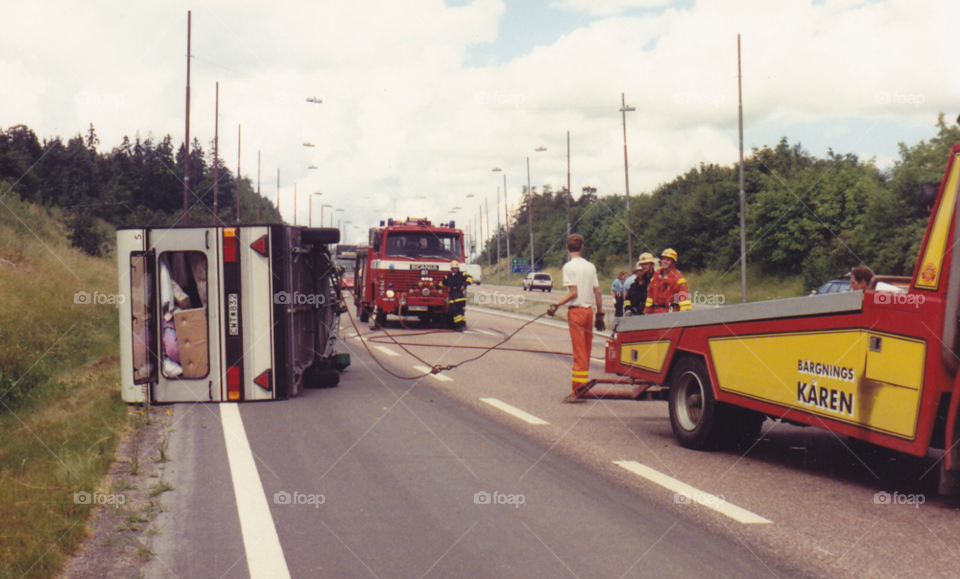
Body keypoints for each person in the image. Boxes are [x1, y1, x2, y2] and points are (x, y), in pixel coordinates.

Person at [546, 234, 604, 403]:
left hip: (576, 312)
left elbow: (573, 292)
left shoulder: (568, 267)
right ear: (582, 247)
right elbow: (598, 292)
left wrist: (557, 304)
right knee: (586, 351)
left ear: (567, 248)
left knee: (579, 353)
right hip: (588, 312)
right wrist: (600, 315)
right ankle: (583, 387)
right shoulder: (590, 266)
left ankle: (577, 391)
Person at [645, 248, 692, 314]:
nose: (665, 262)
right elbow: (650, 297)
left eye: (668, 260)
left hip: (670, 314)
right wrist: (647, 311)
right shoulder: (655, 277)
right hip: (655, 314)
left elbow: (684, 301)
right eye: (663, 259)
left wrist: (684, 315)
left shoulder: (678, 279)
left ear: (673, 263)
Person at [442, 262, 473, 331]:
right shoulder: (449, 276)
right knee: (455, 311)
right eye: (454, 268)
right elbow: (443, 282)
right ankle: (460, 326)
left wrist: (464, 285)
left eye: (456, 268)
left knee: (460, 312)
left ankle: (461, 326)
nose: (455, 269)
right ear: (451, 269)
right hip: (453, 296)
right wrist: (436, 287)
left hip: (460, 296)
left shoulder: (461, 275)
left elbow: (470, 278)